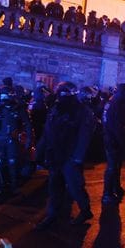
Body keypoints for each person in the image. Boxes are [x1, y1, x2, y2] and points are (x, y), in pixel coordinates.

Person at [35, 82, 95, 230]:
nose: (61, 97)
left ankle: (85, 211)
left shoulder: (82, 111)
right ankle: (53, 214)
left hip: (71, 156)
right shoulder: (55, 109)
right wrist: (38, 152)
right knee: (54, 186)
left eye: (64, 93)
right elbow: (47, 132)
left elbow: (84, 135)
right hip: (56, 154)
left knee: (75, 187)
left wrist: (78, 157)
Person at [101, 83, 125, 204]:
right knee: (112, 166)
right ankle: (107, 193)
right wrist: (124, 143)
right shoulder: (119, 104)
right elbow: (119, 126)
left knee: (116, 165)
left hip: (109, 137)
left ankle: (116, 187)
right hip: (114, 139)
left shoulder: (111, 101)